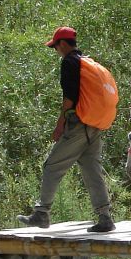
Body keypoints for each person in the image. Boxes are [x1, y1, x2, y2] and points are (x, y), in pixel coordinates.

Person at [18, 26, 115, 232]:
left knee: (52, 165)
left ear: (63, 44)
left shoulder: (70, 63)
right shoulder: (89, 63)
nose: (56, 51)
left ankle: (42, 213)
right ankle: (105, 217)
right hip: (95, 126)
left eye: (55, 47)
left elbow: (69, 98)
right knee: (91, 169)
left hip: (79, 125)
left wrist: (60, 123)